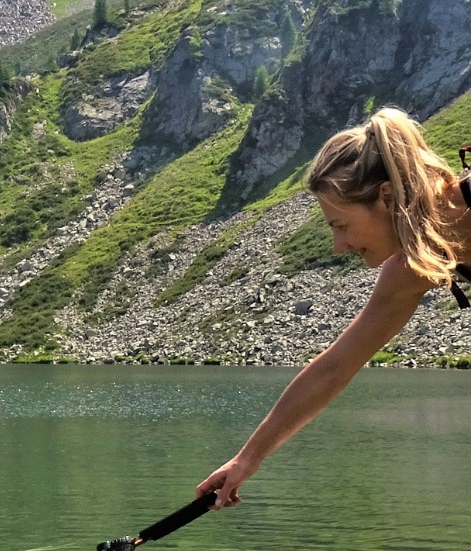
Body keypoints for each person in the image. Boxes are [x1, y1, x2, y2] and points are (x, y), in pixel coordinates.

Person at [198, 107, 471, 509]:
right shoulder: (407, 272)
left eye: (340, 226)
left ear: (387, 198)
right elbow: (334, 367)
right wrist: (247, 458)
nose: (339, 246)